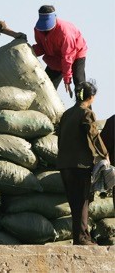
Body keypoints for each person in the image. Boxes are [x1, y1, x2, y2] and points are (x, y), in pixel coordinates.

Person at [57, 81, 108, 245]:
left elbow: (60, 138)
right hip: (80, 165)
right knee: (82, 201)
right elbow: (94, 135)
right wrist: (105, 154)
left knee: (74, 203)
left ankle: (78, 237)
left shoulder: (67, 114)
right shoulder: (86, 113)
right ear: (91, 97)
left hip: (64, 164)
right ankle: (83, 238)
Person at [33, 5, 88, 98]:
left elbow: (67, 57)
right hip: (55, 57)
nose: (46, 29)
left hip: (75, 54)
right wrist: (29, 51)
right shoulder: (38, 29)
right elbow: (41, 47)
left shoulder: (65, 33)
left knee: (79, 83)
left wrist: (67, 79)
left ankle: (85, 108)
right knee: (47, 85)